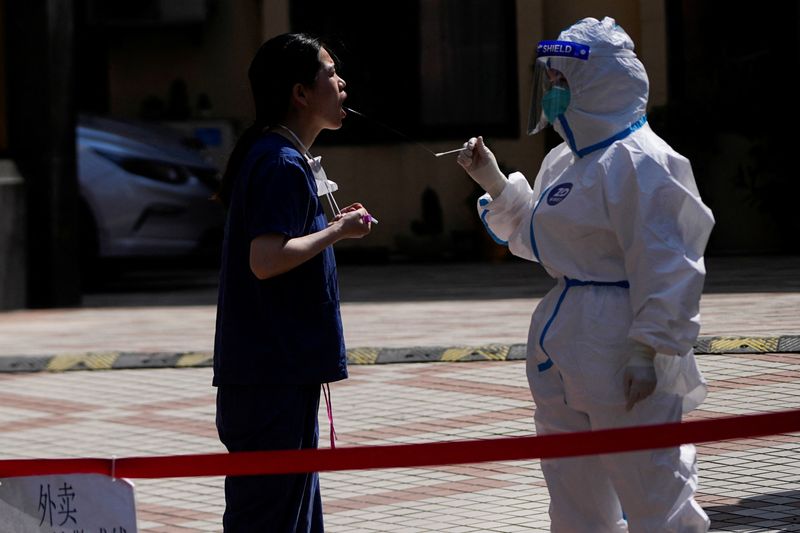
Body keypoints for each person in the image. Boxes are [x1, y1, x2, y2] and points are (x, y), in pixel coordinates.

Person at [457, 17, 714, 532]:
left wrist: (649, 348)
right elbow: (537, 237)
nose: (551, 91)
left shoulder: (645, 162)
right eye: (548, 80)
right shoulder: (565, 161)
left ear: (596, 81)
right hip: (565, 347)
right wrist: (491, 178)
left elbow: (669, 264)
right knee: (574, 497)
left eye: (559, 80)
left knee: (652, 488)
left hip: (622, 346)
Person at [212, 33, 372, 532]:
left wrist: (328, 228)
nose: (341, 82)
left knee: (289, 513)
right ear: (300, 93)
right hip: (270, 378)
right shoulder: (280, 162)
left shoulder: (276, 155)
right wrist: (338, 231)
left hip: (275, 374)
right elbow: (265, 259)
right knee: (270, 517)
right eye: (329, 73)